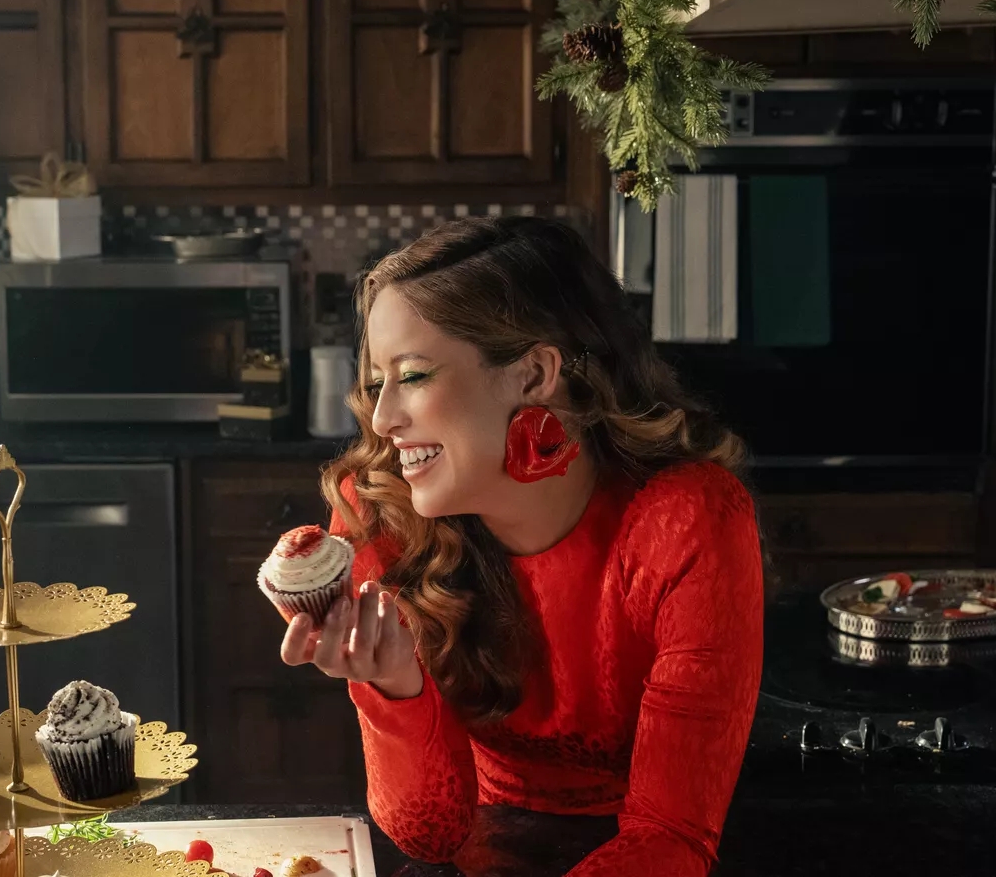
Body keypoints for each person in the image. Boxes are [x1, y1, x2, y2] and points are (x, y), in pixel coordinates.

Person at [279, 216, 764, 875]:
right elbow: (431, 835)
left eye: (414, 375)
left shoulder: (687, 521)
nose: (386, 418)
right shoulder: (377, 520)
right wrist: (392, 686)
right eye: (377, 382)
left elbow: (671, 835)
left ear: (535, 374)